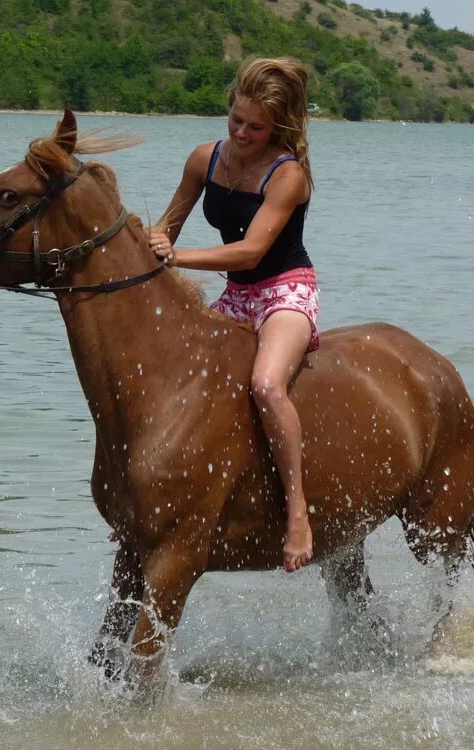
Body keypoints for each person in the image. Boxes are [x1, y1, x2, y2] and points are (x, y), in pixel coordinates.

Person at [148, 57, 319, 573]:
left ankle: (297, 515)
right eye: (236, 120)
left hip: (283, 292)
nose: (242, 133)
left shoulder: (288, 175)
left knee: (267, 385)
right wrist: (150, 243)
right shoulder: (204, 158)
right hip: (236, 295)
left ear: (280, 126)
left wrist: (175, 258)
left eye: (256, 127)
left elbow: (249, 253)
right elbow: (167, 229)